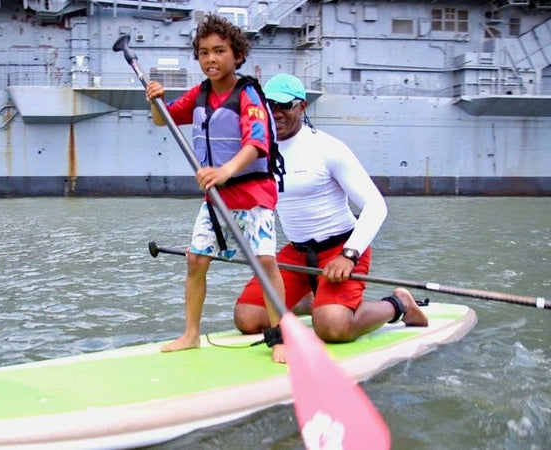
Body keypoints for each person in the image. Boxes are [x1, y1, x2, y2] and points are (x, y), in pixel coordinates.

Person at [234, 73, 429, 342]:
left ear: (302, 106)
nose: (276, 112)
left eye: (284, 105)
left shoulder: (327, 148)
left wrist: (349, 255)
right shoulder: (258, 151)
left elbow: (376, 205)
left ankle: (399, 305)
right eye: (270, 105)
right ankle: (314, 300)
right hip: (296, 252)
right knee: (247, 317)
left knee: (333, 327)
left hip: (340, 248)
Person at [145, 14, 287, 362]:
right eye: (204, 52)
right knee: (195, 260)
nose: (211, 59)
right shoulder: (200, 94)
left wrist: (225, 170)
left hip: (253, 194)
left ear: (237, 55)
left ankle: (281, 337)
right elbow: (163, 119)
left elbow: (257, 144)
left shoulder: (248, 94)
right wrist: (155, 100)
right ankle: (191, 334)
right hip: (217, 196)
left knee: (265, 262)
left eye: (219, 51)